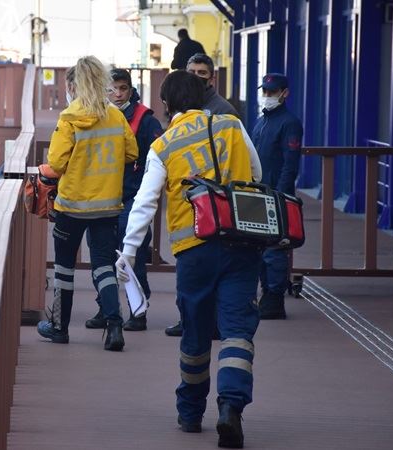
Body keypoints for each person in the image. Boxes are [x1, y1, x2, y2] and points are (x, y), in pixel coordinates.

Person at [116, 71, 262, 448]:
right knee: (236, 329)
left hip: (195, 251)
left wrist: (129, 252)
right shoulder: (231, 124)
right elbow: (258, 173)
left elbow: (145, 202)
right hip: (242, 241)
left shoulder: (164, 146)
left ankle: (191, 413)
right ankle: (231, 407)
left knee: (196, 333)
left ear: (167, 105)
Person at [37, 56, 139, 352]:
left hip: (71, 205)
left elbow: (56, 163)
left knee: (65, 268)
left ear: (76, 85)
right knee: (103, 265)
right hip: (107, 206)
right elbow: (132, 153)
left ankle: (59, 328)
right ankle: (115, 325)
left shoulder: (70, 117)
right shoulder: (115, 115)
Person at [164, 53, 258, 337]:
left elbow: (246, 161)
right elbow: (257, 170)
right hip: (213, 212)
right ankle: (208, 325)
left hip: (217, 211)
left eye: (201, 72)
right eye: (191, 71)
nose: (195, 76)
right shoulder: (195, 108)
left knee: (207, 277)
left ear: (212, 77)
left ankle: (204, 326)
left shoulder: (224, 112)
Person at [84, 68, 164, 332]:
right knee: (101, 255)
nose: (117, 94)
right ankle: (105, 308)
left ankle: (137, 312)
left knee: (134, 254)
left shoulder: (146, 120)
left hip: (132, 196)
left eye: (123, 88)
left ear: (131, 89)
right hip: (103, 195)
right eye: (112, 89)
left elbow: (156, 161)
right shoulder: (97, 115)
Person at [251, 73, 303, 320]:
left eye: (273, 92)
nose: (268, 96)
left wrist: (280, 196)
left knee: (274, 248)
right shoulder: (261, 121)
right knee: (260, 247)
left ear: (285, 93)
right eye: (266, 92)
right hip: (258, 193)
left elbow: (290, 165)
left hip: (276, 195)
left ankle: (274, 299)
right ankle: (267, 294)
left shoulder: (289, 123)